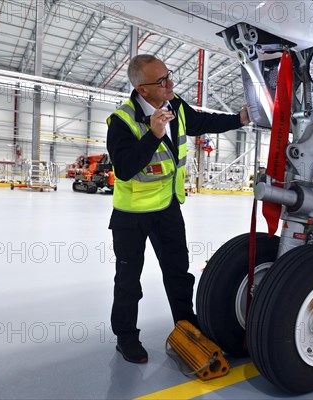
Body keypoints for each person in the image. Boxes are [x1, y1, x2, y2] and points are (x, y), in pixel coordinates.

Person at [106, 54, 250, 363]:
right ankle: (126, 337)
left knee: (178, 273)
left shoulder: (175, 105)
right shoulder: (122, 120)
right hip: (131, 215)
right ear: (142, 90)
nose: (170, 83)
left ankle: (186, 325)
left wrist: (238, 118)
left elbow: (202, 122)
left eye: (169, 76)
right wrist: (153, 136)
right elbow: (125, 168)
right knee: (129, 281)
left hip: (168, 208)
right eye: (162, 81)